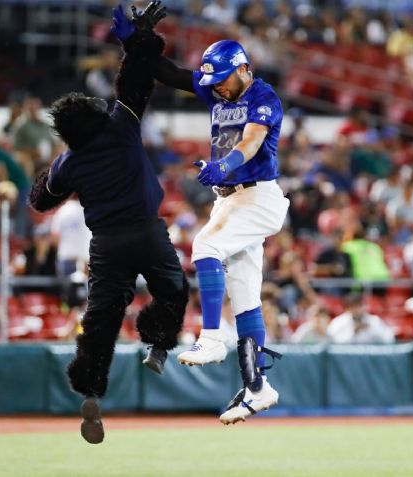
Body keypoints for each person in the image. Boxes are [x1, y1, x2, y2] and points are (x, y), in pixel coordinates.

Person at [28, 2, 187, 444]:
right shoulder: (121, 124)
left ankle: (92, 389)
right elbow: (136, 75)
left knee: (101, 319)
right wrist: (138, 37)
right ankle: (157, 343)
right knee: (173, 290)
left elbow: (42, 200)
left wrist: (53, 173)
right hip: (147, 231)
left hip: (108, 245)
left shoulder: (68, 162)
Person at [149, 7, 290, 425]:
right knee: (245, 295)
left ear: (244, 69)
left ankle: (211, 337)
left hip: (257, 196)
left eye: (223, 78)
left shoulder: (262, 96)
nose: (218, 88)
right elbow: (172, 75)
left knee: (205, 245)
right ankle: (258, 388)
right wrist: (137, 44)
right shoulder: (219, 88)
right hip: (231, 199)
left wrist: (225, 165)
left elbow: (250, 142)